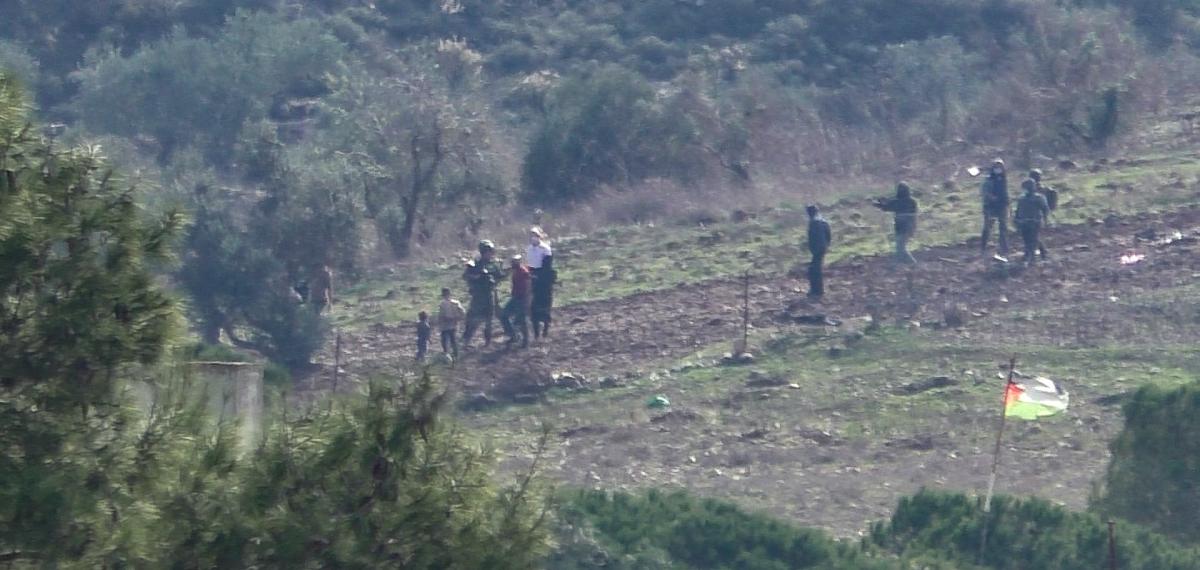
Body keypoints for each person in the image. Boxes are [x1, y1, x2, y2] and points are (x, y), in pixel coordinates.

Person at [462, 240, 505, 348]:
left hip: (489, 295)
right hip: (478, 295)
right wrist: (478, 277)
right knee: (472, 319)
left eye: (491, 252)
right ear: (483, 252)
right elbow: (466, 276)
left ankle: (487, 342)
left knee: (489, 320)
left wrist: (494, 280)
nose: (490, 254)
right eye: (488, 252)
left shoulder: (493, 265)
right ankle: (466, 341)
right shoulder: (475, 264)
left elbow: (500, 276)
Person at [874, 182, 918, 264]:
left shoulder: (898, 201)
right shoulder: (912, 201)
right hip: (910, 226)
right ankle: (900, 264)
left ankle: (911, 263)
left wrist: (877, 204)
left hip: (901, 227)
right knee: (900, 247)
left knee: (900, 247)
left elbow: (886, 207)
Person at [1014, 179, 1050, 266]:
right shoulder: (1022, 199)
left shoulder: (1038, 198)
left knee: (1033, 240)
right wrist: (1017, 220)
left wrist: (1044, 220)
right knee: (1028, 239)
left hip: (1035, 221)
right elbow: (1018, 210)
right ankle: (1041, 252)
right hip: (1024, 222)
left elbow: (1045, 209)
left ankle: (1032, 257)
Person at [500, 255, 532, 348]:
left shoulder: (523, 271)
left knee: (522, 319)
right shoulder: (515, 271)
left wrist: (527, 299)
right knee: (504, 315)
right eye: (513, 262)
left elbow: (528, 284)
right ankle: (513, 335)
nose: (513, 264)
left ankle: (525, 340)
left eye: (515, 262)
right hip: (515, 297)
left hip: (522, 298)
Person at [980, 159, 1010, 257]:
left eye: (1000, 167)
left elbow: (1005, 192)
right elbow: (985, 193)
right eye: (996, 167)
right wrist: (992, 198)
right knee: (988, 227)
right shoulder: (989, 179)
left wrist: (1007, 203)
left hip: (1002, 206)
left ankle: (1004, 248)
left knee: (1003, 228)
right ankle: (983, 247)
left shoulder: (1004, 178)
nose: (998, 169)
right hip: (990, 207)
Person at [1029, 168, 1057, 260]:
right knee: (1034, 234)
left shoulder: (1039, 190)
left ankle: (1041, 252)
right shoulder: (1043, 189)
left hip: (1037, 215)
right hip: (1036, 214)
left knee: (1034, 234)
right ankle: (1039, 252)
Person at [806, 205, 832, 299]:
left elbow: (812, 238)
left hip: (817, 249)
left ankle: (816, 291)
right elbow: (828, 235)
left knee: (814, 270)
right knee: (816, 269)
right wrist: (826, 245)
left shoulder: (814, 222)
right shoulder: (823, 221)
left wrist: (813, 249)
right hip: (823, 248)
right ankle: (817, 290)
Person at [531, 254, 556, 339]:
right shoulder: (552, 272)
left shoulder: (538, 271)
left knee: (535, 315)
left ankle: (537, 334)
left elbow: (533, 281)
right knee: (546, 313)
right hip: (547, 296)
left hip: (538, 295)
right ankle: (544, 331)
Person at [437, 287, 465, 359]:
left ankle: (447, 356)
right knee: (453, 341)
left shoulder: (442, 304)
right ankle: (456, 356)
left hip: (445, 326)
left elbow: (441, 316)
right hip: (454, 325)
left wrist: (441, 322)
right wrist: (457, 319)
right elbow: (462, 313)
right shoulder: (456, 303)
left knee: (444, 342)